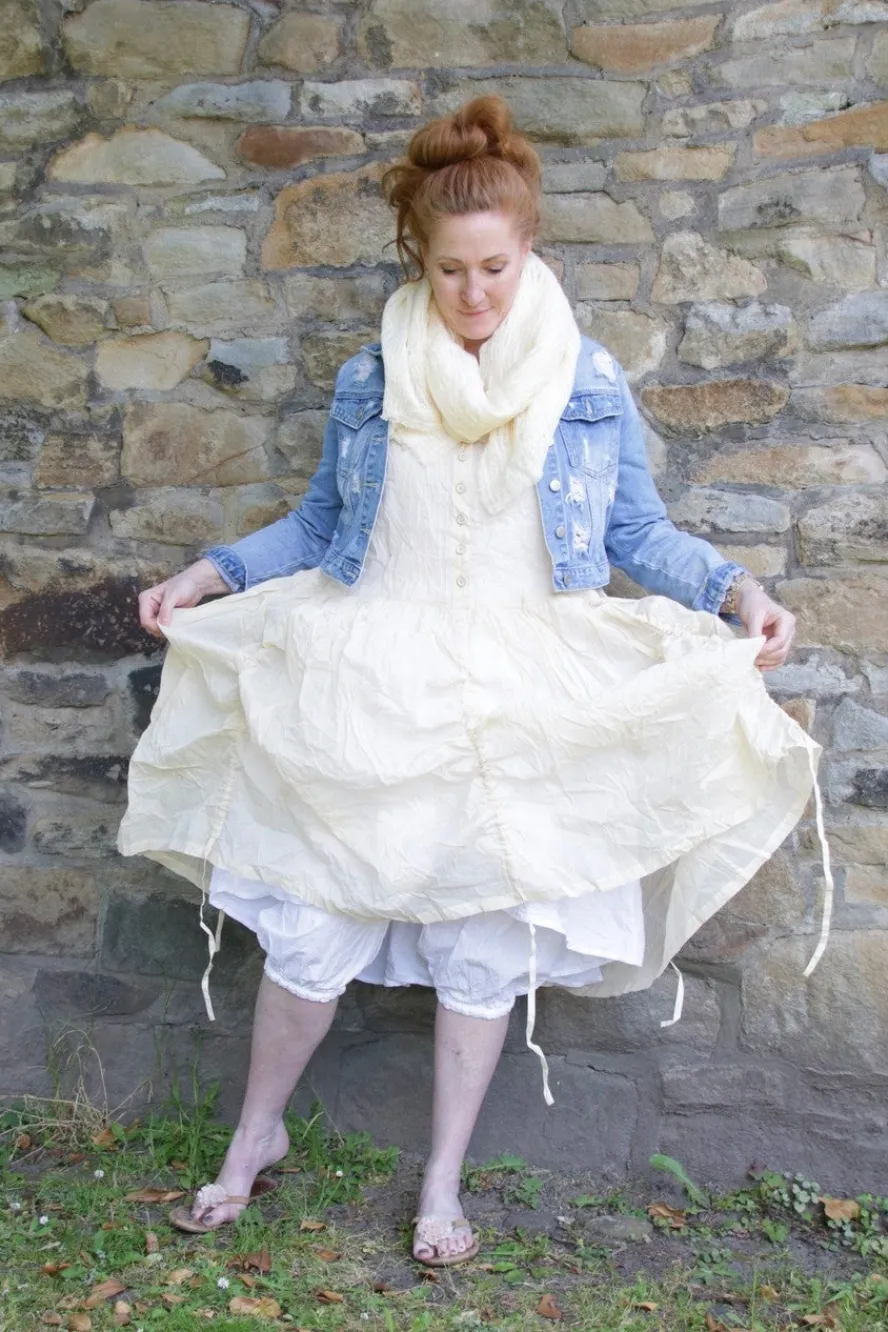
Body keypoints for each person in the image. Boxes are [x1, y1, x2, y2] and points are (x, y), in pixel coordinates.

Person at [119, 96, 821, 1265]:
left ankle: (441, 1184)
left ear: (528, 249)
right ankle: (253, 1140)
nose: (475, 292)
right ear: (420, 259)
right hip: (371, 676)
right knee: (313, 922)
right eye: (452, 270)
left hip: (522, 690)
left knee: (486, 949)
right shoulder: (373, 377)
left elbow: (635, 534)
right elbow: (321, 525)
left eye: (495, 267)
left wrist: (738, 592)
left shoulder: (585, 380)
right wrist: (208, 573)